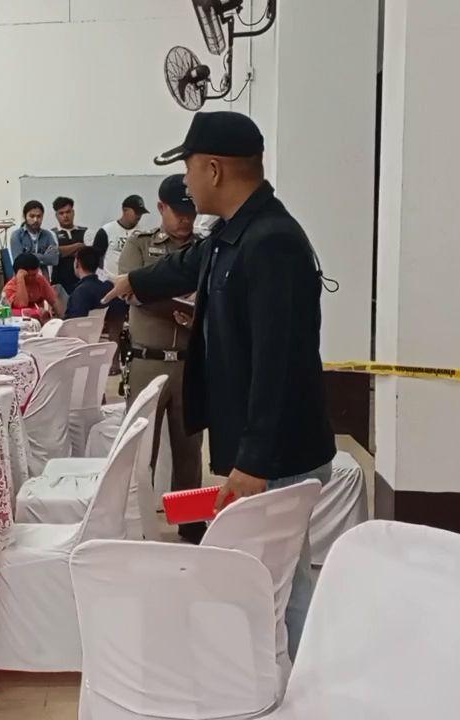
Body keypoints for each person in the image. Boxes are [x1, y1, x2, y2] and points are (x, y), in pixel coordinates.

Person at [105, 111, 336, 659]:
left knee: (278, 582)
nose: (185, 182)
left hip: (277, 455)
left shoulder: (272, 242)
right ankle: (287, 676)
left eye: (188, 168)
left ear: (213, 169)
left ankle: (303, 680)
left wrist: (254, 462)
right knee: (274, 579)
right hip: (258, 448)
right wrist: (132, 280)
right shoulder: (234, 234)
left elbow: (280, 363)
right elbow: (185, 266)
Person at [118, 173, 205, 544]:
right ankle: (136, 522)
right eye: (178, 212)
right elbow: (132, 292)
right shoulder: (140, 244)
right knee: (141, 449)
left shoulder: (205, 248)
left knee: (190, 449)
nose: (185, 220)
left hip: (189, 362)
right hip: (147, 361)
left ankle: (190, 521)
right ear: (160, 208)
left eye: (191, 212)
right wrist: (182, 305)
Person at [93, 195, 149, 280]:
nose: (139, 215)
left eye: (141, 213)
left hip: (132, 283)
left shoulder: (143, 234)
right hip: (109, 282)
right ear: (124, 210)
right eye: (136, 212)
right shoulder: (106, 230)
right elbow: (95, 258)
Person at [8, 200, 59, 280]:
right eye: (32, 216)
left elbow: (54, 259)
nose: (35, 220)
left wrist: (30, 256)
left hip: (43, 280)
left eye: (39, 216)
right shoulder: (17, 235)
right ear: (24, 216)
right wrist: (43, 257)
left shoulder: (48, 235)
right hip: (23, 281)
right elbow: (19, 263)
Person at [3, 252, 58, 322]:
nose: (36, 277)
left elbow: (54, 302)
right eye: (32, 275)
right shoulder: (9, 288)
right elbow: (21, 304)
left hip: (38, 323)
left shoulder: (39, 280)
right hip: (17, 323)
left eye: (36, 273)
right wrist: (20, 279)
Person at [50, 196, 88, 296]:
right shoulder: (51, 234)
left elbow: (89, 253)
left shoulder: (85, 232)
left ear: (73, 212)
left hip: (82, 283)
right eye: (61, 213)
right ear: (56, 215)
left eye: (68, 212)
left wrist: (64, 251)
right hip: (59, 284)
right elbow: (54, 253)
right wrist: (78, 245)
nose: (65, 216)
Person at [63, 246, 113, 320]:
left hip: (80, 326)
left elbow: (73, 322)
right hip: (104, 326)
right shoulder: (109, 287)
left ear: (77, 263)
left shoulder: (80, 292)